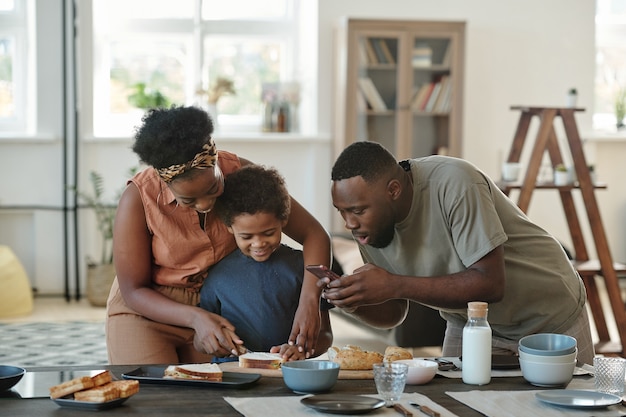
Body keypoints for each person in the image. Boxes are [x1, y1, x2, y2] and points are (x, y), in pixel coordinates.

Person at [322, 141, 595, 365]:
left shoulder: (454, 182)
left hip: (549, 315)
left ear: (393, 190)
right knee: (452, 406)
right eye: (342, 211)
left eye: (357, 211)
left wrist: (394, 284)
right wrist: (354, 302)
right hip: (471, 322)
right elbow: (395, 312)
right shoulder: (369, 227)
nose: (349, 223)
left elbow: (490, 284)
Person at [107, 105, 331, 365]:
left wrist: (309, 302)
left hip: (218, 306)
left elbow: (314, 234)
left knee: (215, 395)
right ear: (164, 182)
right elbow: (134, 290)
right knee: (152, 396)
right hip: (148, 310)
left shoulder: (241, 173)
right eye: (188, 199)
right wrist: (194, 317)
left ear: (214, 162)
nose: (204, 205)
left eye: (213, 187)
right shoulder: (138, 199)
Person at [198, 165, 333, 361]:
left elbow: (326, 335)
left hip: (288, 374)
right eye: (246, 236)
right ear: (229, 227)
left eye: (268, 233)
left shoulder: (304, 268)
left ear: (284, 220)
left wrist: (302, 351)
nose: (259, 243)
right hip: (234, 375)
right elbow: (200, 338)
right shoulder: (217, 276)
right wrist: (211, 343)